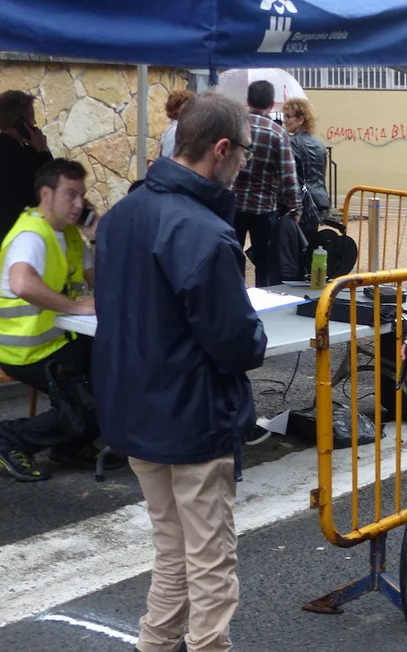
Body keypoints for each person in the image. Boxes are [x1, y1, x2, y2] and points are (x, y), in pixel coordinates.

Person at [93, 93, 267, 652]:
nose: (245, 162)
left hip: (134, 408)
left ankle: (155, 643)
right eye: (244, 151)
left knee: (172, 551)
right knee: (211, 560)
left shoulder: (121, 216)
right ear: (221, 149)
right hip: (193, 416)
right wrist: (255, 336)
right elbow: (236, 342)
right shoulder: (205, 233)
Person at [0, 159, 123, 481]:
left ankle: (70, 446)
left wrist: (96, 237)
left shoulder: (69, 235)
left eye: (82, 196)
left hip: (59, 340)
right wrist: (73, 307)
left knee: (116, 380)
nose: (79, 204)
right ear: (46, 194)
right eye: (70, 195)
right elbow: (21, 284)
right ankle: (9, 438)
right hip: (24, 349)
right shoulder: (31, 235)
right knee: (86, 406)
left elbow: (103, 285)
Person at [231, 80, 300, 287]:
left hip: (234, 205)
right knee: (264, 262)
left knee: (232, 256)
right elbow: (288, 174)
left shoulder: (234, 128)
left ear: (247, 100)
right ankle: (264, 296)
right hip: (264, 207)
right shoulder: (277, 133)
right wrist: (295, 208)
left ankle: (235, 295)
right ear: (271, 104)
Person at [0, 90, 53, 243]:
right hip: (20, 235)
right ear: (20, 123)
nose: (34, 122)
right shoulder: (18, 154)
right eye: (31, 117)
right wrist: (42, 151)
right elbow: (53, 183)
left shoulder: (19, 149)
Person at [282, 97, 331, 233]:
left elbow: (291, 175)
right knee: (310, 241)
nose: (284, 120)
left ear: (300, 120)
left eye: (288, 116)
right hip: (319, 201)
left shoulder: (292, 142)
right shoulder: (320, 144)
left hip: (302, 202)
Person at [159, 89, 195, 158]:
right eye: (187, 106)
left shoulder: (180, 128)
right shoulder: (175, 131)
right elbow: (169, 158)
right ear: (176, 108)